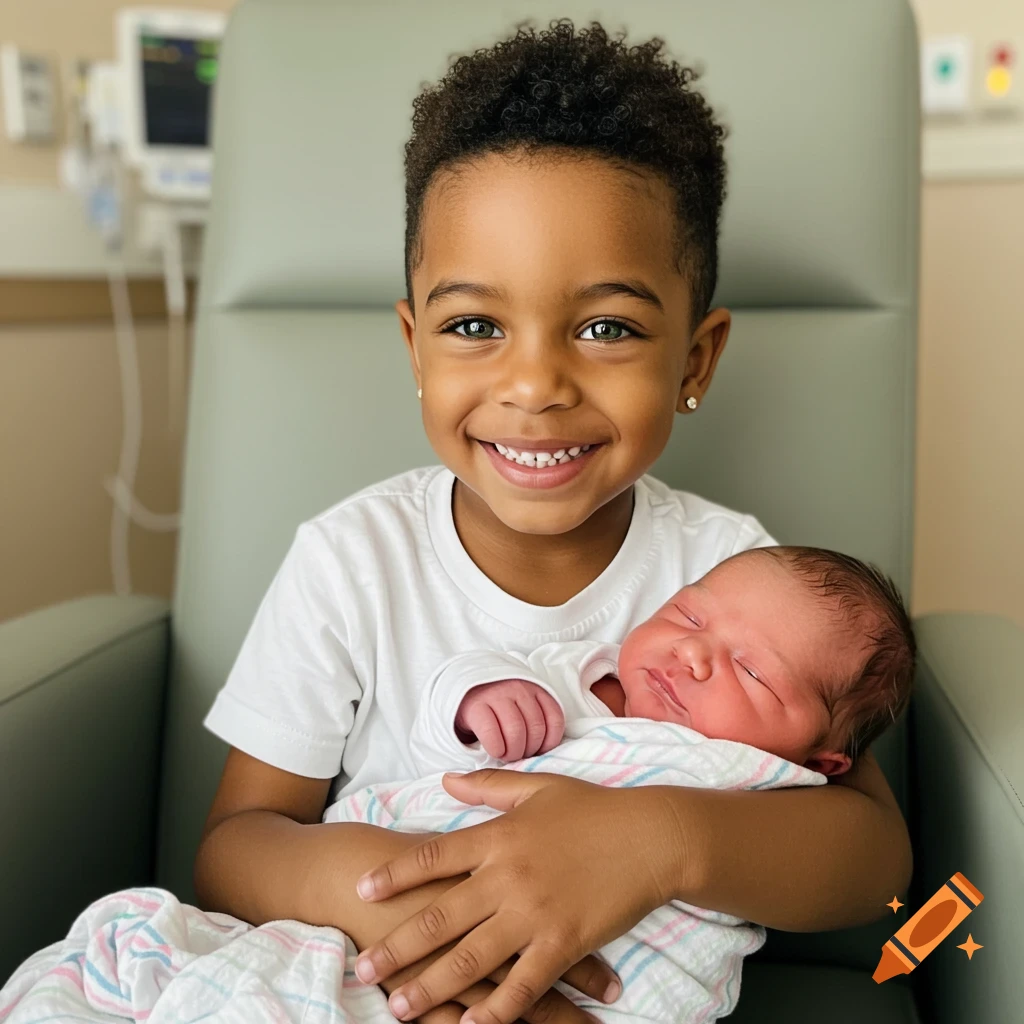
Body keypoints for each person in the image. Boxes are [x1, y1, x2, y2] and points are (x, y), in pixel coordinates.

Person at [194, 19, 913, 1024]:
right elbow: (236, 843)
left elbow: (872, 863)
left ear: (695, 362)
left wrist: (653, 841)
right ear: (414, 345)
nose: (533, 385)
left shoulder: (731, 575)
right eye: (473, 326)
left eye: (606, 327)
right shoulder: (352, 562)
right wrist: (437, 907)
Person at [314, 546, 917, 1022]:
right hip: (398, 892)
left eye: (752, 670)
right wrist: (475, 700)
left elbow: (857, 855)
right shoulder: (570, 676)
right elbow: (443, 765)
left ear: (821, 762)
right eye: (687, 614)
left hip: (610, 981)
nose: (692, 653)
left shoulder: (774, 784)